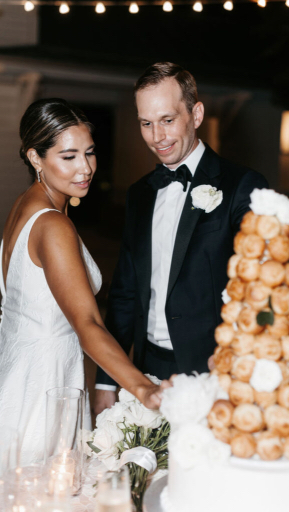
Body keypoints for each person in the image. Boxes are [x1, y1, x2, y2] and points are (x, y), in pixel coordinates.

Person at [0, 98, 169, 466]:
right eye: (69, 156)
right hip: (40, 391)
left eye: (89, 153)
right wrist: (145, 389)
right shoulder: (52, 225)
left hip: (5, 380)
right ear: (35, 158)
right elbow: (87, 324)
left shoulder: (24, 206)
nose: (85, 168)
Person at [94, 62, 269, 415]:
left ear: (196, 113)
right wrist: (106, 380)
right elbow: (125, 294)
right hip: (146, 372)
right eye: (146, 123)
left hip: (215, 373)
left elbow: (258, 292)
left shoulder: (242, 186)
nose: (157, 136)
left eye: (168, 120)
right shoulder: (139, 194)